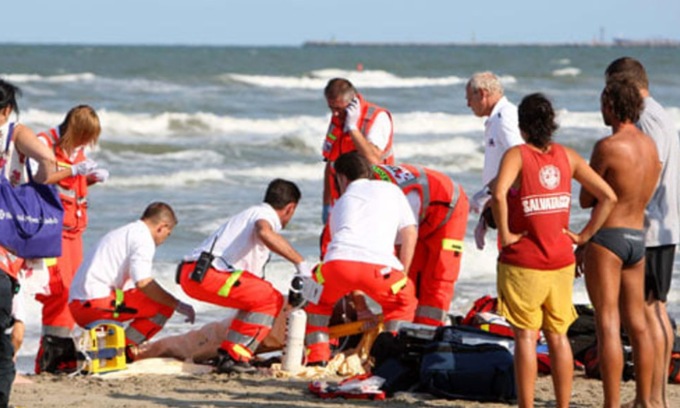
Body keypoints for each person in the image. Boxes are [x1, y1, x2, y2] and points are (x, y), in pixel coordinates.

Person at [491, 93, 616, 408]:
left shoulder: (517, 155)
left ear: (521, 127)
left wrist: (506, 234)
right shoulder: (568, 156)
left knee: (525, 336)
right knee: (558, 336)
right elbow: (609, 197)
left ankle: (527, 406)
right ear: (551, 125)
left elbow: (498, 192)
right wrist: (583, 236)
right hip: (561, 259)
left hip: (525, 261)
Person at [579, 78, 660, 408]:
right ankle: (644, 400)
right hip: (636, 239)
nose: (601, 108)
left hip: (608, 239)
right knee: (638, 324)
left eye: (602, 102)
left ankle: (611, 405)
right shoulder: (650, 147)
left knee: (608, 324)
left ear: (611, 105)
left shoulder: (608, 147)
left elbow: (587, 198)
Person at [605, 56, 680, 408]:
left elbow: (649, 170)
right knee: (657, 309)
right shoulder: (661, 113)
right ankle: (657, 398)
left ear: (625, 86)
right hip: (664, 226)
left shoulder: (647, 119)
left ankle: (650, 398)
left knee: (648, 312)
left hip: (648, 227)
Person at [177, 179, 308, 374]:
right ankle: (238, 355)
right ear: (290, 208)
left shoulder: (248, 215)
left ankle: (229, 356)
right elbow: (263, 230)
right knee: (271, 298)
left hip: (193, 273)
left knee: (257, 299)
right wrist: (300, 263)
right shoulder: (265, 215)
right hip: (207, 273)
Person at [305, 152, 418, 366]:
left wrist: (361, 306)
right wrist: (402, 274)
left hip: (336, 267)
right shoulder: (392, 190)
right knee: (402, 303)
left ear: (342, 178)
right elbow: (409, 233)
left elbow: (348, 258)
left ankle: (316, 359)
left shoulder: (342, 202)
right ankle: (391, 359)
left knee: (316, 302)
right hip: (381, 270)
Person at [34, 105, 110, 374]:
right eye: (85, 136)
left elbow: (71, 186)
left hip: (74, 233)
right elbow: (39, 179)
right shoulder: (43, 143)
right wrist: (74, 170)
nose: (87, 143)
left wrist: (90, 179)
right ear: (75, 130)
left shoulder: (77, 151)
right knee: (57, 291)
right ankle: (49, 359)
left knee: (73, 292)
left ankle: (63, 358)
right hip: (52, 232)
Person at [68, 202, 194, 362]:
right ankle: (123, 350)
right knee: (163, 305)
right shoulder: (144, 239)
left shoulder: (124, 232)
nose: (164, 240)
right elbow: (143, 282)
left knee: (146, 298)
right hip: (95, 305)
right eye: (167, 234)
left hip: (78, 304)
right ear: (162, 227)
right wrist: (177, 304)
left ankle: (118, 348)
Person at [0, 79, 57, 406]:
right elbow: (47, 162)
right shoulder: (16, 133)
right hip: (6, 248)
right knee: (12, 326)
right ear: (7, 109)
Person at [371, 163, 469, 326]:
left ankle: (428, 333)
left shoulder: (396, 200)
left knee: (438, 278)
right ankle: (405, 327)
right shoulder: (359, 190)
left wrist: (397, 284)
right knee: (413, 277)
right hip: (423, 215)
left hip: (449, 211)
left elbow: (401, 249)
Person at [321, 78, 394, 223]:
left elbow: (374, 159)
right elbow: (330, 164)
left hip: (371, 203)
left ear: (353, 103)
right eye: (331, 108)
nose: (335, 114)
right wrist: (326, 204)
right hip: (342, 203)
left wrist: (353, 128)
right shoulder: (337, 121)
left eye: (339, 109)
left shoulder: (376, 118)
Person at [465, 71, 523, 250]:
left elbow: (522, 159)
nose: (468, 104)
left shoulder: (504, 117)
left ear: (482, 94)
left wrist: (485, 195)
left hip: (512, 205)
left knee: (510, 259)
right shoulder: (495, 118)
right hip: (500, 202)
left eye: (469, 98)